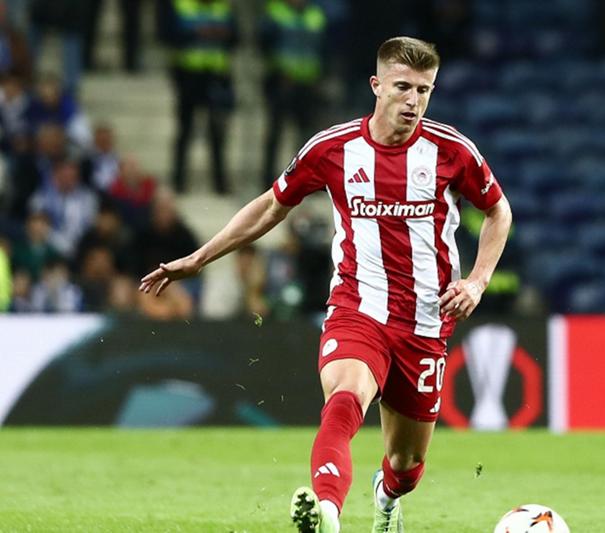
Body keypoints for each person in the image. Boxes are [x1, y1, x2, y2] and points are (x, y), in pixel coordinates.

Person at [139, 36, 512, 533]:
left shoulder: (452, 151)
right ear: (376, 85)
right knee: (345, 396)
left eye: (424, 90)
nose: (413, 101)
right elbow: (271, 206)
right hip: (358, 307)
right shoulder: (333, 149)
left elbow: (498, 211)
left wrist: (477, 282)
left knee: (405, 465)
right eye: (402, 87)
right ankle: (328, 513)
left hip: (426, 321)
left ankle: (386, 497)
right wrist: (199, 258)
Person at [158, 0, 239, 194]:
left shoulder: (223, 6)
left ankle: (220, 183)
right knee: (185, 130)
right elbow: (166, 35)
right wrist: (196, 33)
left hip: (216, 77)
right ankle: (179, 181)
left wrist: (222, 33)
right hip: (189, 77)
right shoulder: (180, 5)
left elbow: (236, 38)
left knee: (217, 133)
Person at [258, 0, 327, 188]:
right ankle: (268, 179)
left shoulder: (317, 16)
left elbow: (323, 50)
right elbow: (264, 47)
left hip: (308, 84)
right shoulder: (275, 13)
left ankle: (306, 179)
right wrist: (276, 73)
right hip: (281, 83)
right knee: (275, 133)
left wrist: (320, 78)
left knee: (307, 136)